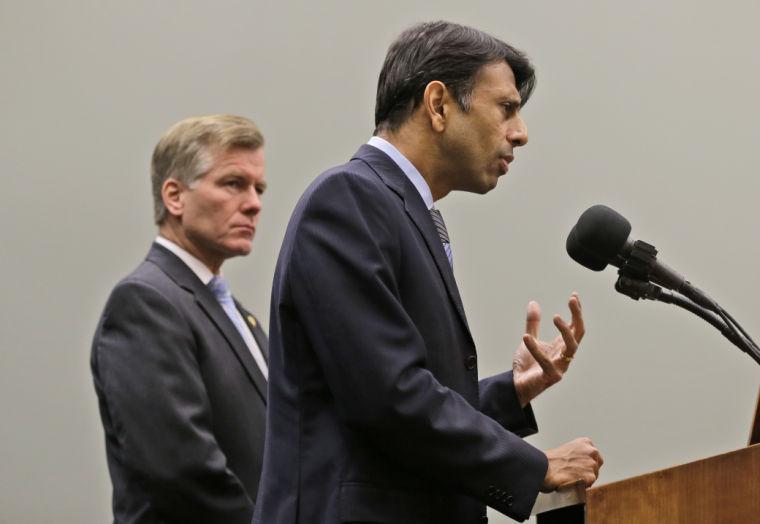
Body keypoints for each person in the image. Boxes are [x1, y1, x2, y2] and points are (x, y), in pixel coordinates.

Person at [255, 21, 603, 524]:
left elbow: (394, 405)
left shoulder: (400, 211)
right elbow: (389, 400)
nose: (521, 133)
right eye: (506, 108)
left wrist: (511, 391)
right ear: (438, 104)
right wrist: (535, 466)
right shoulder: (348, 200)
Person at [91, 114, 269, 524]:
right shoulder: (145, 303)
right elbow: (181, 471)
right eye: (233, 183)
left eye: (258, 188)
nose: (254, 202)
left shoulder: (235, 313)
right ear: (174, 196)